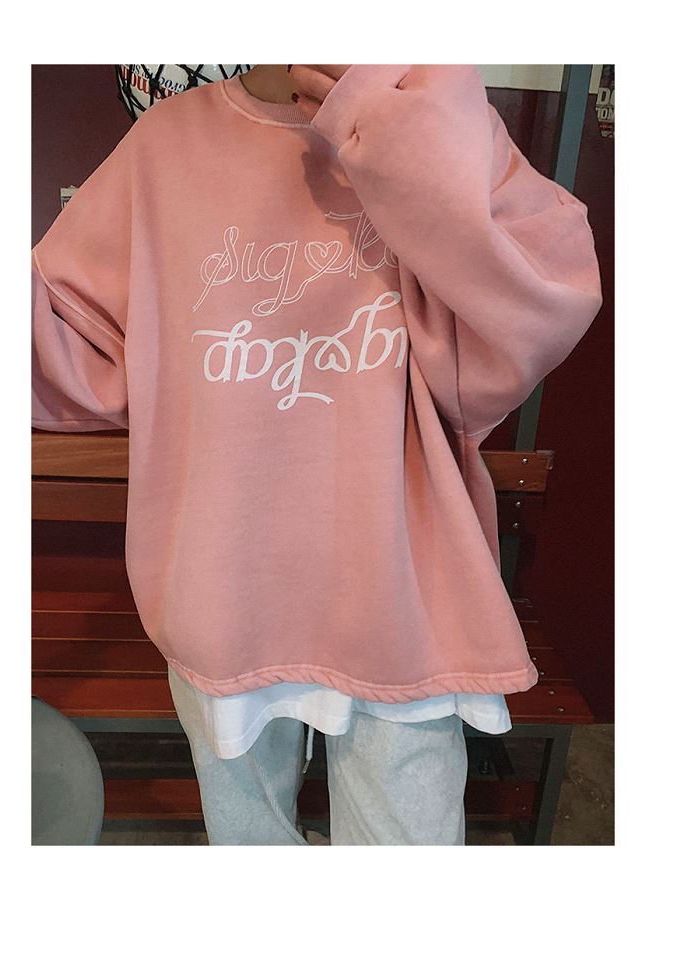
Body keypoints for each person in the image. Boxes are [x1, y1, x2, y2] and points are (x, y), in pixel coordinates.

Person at [32, 64, 601, 847]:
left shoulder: (432, 119)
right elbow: (71, 346)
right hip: (223, 595)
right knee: (253, 851)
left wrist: (387, 119)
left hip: (400, 598)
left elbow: (541, 302)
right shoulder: (167, 148)